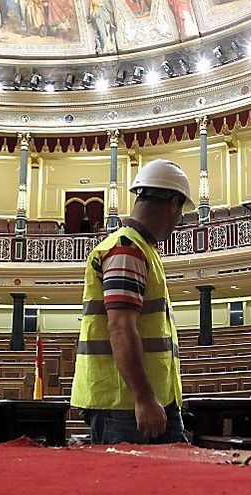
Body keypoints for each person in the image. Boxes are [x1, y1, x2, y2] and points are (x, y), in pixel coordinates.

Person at [71, 160, 194, 444]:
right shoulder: (127, 248)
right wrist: (144, 398)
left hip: (134, 402)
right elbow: (121, 327)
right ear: (173, 203)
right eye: (180, 212)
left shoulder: (138, 248)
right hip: (125, 405)